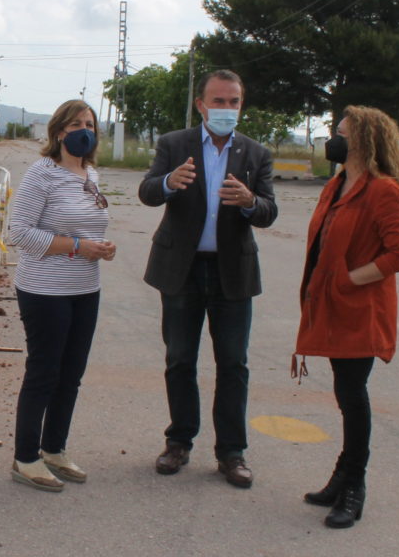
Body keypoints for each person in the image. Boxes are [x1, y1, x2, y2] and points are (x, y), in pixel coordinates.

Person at [138, 69, 278, 488]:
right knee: (180, 359)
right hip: (181, 269)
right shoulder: (174, 144)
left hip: (232, 271)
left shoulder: (256, 153)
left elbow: (270, 212)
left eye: (233, 102)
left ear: (241, 105)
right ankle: (179, 441)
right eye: (218, 101)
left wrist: (251, 202)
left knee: (233, 364)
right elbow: (146, 192)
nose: (226, 109)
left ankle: (231, 453)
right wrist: (168, 182)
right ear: (201, 105)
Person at [294, 105, 399, 528]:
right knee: (346, 394)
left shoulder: (383, 191)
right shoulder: (336, 184)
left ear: (363, 141)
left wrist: (347, 280)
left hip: (360, 311)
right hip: (331, 308)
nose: (334, 138)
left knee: (352, 395)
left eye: (342, 132)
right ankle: (341, 476)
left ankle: (353, 486)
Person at [7, 99, 117, 492]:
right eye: (75, 124)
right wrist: (76, 247)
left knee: (71, 376)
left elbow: (87, 227)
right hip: (45, 290)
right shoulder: (42, 174)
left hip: (85, 289)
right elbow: (17, 233)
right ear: (58, 133)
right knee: (44, 373)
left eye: (89, 124)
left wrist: (99, 247)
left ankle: (54, 449)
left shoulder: (90, 174)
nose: (83, 130)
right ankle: (26, 457)